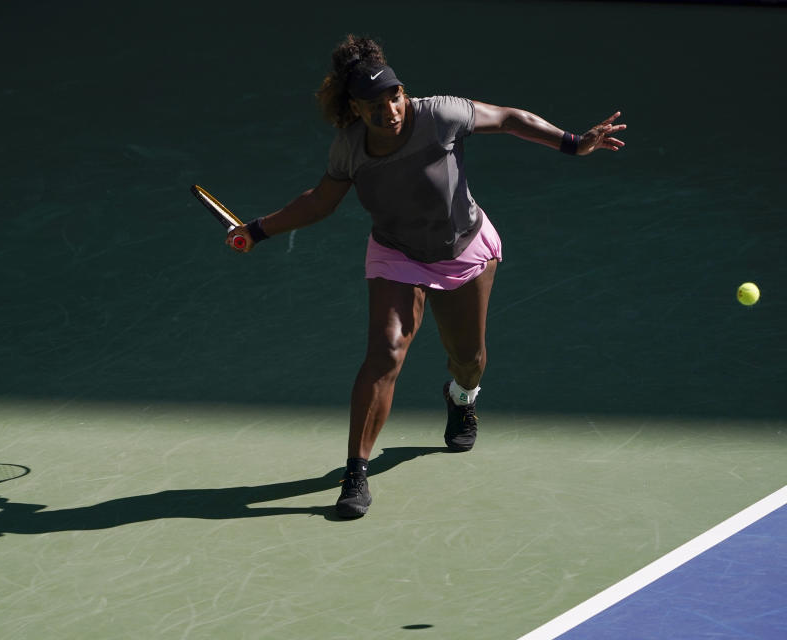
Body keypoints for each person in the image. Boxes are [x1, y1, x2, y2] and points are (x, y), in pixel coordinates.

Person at [225, 35, 625, 519]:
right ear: (355, 107)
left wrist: (573, 143)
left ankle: (461, 397)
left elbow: (510, 117)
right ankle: (355, 473)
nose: (389, 110)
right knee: (385, 352)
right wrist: (258, 230)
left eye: (394, 96)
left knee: (469, 359)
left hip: (463, 249)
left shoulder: (441, 114)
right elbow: (320, 202)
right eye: (373, 105)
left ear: (402, 91)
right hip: (397, 256)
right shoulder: (350, 147)